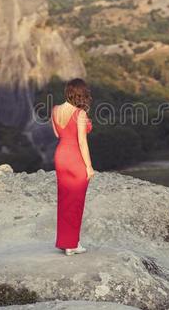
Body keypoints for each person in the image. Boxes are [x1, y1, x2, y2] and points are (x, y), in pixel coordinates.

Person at [51, 78, 94, 256]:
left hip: (60, 156)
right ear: (81, 94)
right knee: (76, 202)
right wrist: (89, 167)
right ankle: (72, 244)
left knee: (64, 200)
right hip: (75, 158)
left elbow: (56, 133)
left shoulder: (55, 110)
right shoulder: (79, 114)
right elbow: (82, 143)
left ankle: (65, 242)